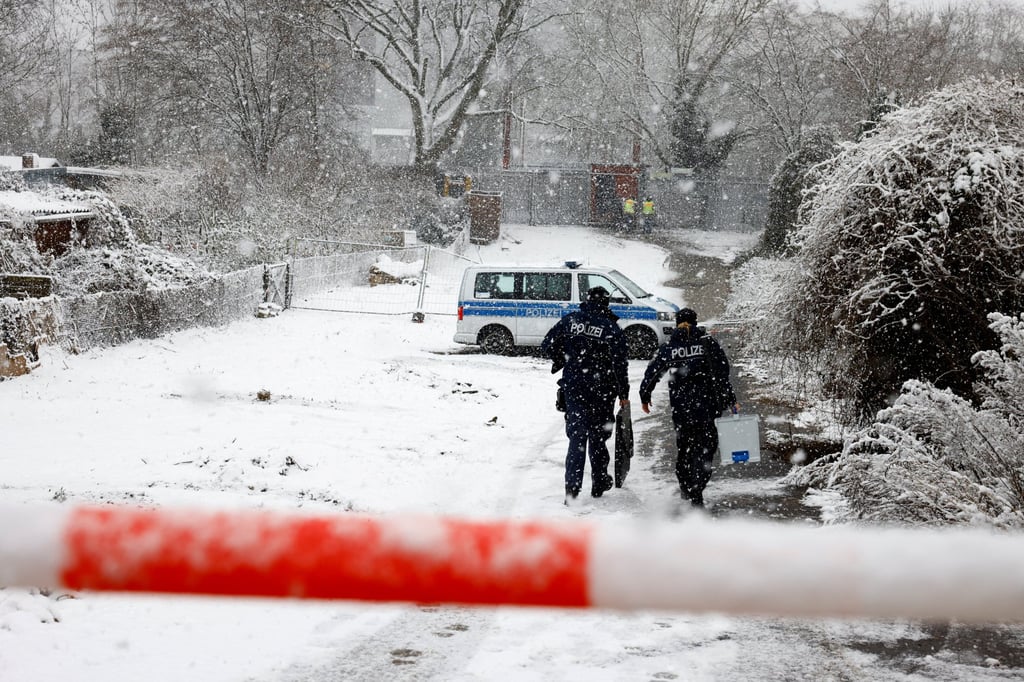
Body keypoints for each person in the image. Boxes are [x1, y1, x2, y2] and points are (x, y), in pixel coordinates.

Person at [639, 308, 737, 509]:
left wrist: (645, 394)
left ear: (677, 324)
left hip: (681, 408)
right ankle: (697, 489)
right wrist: (730, 399)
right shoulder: (707, 343)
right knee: (705, 449)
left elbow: (653, 370)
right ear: (695, 322)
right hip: (706, 407)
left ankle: (685, 485)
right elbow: (722, 372)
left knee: (685, 447)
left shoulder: (670, 347)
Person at [542, 286, 630, 503]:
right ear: (606, 304)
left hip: (574, 388)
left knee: (577, 438)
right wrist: (623, 393)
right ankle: (599, 482)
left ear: (587, 301)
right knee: (599, 437)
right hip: (602, 390)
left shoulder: (571, 321)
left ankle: (571, 489)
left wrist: (564, 358)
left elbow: (546, 345)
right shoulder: (610, 327)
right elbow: (620, 364)